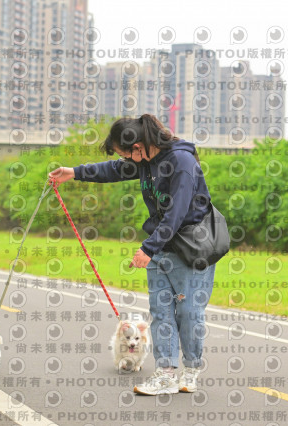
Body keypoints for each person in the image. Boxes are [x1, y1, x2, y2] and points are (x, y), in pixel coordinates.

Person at [48, 114, 217, 396]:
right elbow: (113, 169)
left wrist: (148, 248)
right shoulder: (145, 160)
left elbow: (177, 212)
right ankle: (165, 374)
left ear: (137, 147)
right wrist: (74, 172)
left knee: (188, 312)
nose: (125, 160)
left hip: (191, 248)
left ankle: (191, 369)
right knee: (161, 313)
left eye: (125, 154)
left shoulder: (181, 162)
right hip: (160, 247)